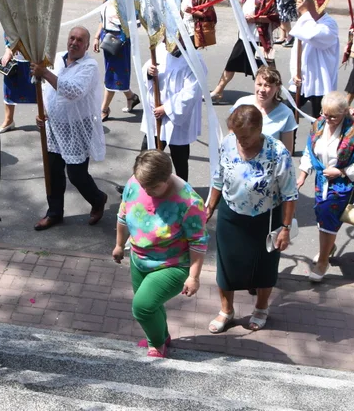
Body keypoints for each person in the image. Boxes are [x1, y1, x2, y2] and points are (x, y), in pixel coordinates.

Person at [206, 105, 296, 333]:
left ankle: (261, 308)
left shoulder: (277, 152)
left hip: (266, 219)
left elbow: (289, 193)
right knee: (226, 265)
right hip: (231, 214)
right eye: (236, 135)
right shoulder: (228, 142)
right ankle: (226, 310)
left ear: (259, 129)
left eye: (245, 136)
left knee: (264, 267)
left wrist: (285, 227)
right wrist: (209, 207)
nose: (240, 140)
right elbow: (219, 177)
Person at [113, 150, 207, 358]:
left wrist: (193, 277)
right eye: (143, 185)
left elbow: (198, 242)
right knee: (152, 305)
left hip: (172, 264)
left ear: (167, 178)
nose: (146, 191)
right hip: (139, 259)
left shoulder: (189, 202)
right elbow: (123, 215)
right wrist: (120, 245)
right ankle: (161, 336)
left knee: (142, 307)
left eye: (153, 187)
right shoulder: (135, 183)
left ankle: (156, 345)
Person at [32, 27, 109, 231]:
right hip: (53, 125)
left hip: (77, 127)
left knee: (76, 174)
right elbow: (44, 87)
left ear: (86, 45)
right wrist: (44, 112)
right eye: (72, 38)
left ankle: (98, 199)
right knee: (53, 171)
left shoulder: (89, 66)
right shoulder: (56, 58)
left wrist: (46, 73)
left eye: (80, 40)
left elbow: (74, 91)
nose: (74, 43)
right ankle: (54, 212)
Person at [297, 91, 354, 282]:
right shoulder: (318, 125)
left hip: (344, 183)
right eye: (325, 114)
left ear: (345, 112)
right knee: (323, 215)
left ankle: (323, 261)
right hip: (322, 180)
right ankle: (328, 247)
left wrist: (341, 172)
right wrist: (303, 175)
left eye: (333, 116)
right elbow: (309, 150)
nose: (328, 119)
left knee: (327, 213)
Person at [139, 41, 205, 182]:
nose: (163, 40)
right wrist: (149, 72)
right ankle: (139, 185)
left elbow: (192, 91)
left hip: (176, 119)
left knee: (179, 159)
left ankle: (182, 192)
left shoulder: (193, 59)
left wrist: (167, 108)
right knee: (147, 153)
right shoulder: (160, 49)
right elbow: (147, 69)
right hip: (156, 113)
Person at [211, 0, 277, 101]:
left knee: (265, 73)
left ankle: (272, 97)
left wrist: (255, 19)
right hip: (244, 38)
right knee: (231, 65)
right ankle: (218, 91)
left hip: (259, 40)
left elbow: (275, 18)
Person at [94, 0, 140, 120]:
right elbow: (102, 21)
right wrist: (96, 37)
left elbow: (135, 23)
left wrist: (122, 23)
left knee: (113, 75)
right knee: (116, 73)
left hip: (119, 41)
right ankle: (131, 97)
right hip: (107, 39)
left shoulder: (125, 2)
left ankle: (104, 108)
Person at [289, 0, 340, 119]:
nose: (299, 5)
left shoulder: (330, 24)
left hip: (320, 83)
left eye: (304, 2)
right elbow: (296, 51)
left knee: (319, 121)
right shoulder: (305, 20)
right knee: (288, 114)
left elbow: (312, 35)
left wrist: (304, 13)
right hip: (301, 79)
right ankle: (290, 138)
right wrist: (294, 73)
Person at [231, 66, 297, 153]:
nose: (262, 90)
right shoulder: (241, 104)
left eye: (267, 86)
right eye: (259, 84)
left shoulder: (286, 113)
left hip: (270, 164)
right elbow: (230, 140)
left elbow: (287, 152)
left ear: (277, 88)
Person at [0, 38, 33, 133]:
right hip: (16, 56)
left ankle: (45, 120)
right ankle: (8, 120)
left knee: (42, 90)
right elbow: (9, 32)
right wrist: (8, 50)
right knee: (9, 87)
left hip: (34, 54)